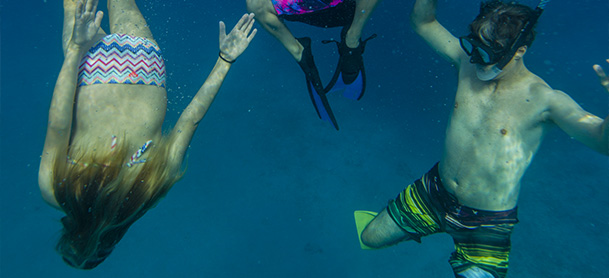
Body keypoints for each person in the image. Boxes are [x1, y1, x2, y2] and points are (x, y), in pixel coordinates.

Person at [353, 0, 608, 277]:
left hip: (486, 222)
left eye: (488, 53)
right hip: (434, 192)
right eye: (473, 46)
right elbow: (424, 23)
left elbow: (601, 142)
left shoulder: (546, 101)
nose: (477, 59)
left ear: (520, 50)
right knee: (370, 238)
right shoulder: (468, 63)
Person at [38, 0, 256, 269]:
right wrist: (74, 50)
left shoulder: (149, 190)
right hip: (92, 74)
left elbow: (190, 121)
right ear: (68, 232)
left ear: (113, 241)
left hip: (143, 68)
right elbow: (58, 124)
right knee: (75, 6)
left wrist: (225, 59)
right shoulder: (55, 191)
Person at [246, 0, 382, 130]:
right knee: (255, 5)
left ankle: (352, 39)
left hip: (351, 8)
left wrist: (353, 35)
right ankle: (298, 51)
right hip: (308, 10)